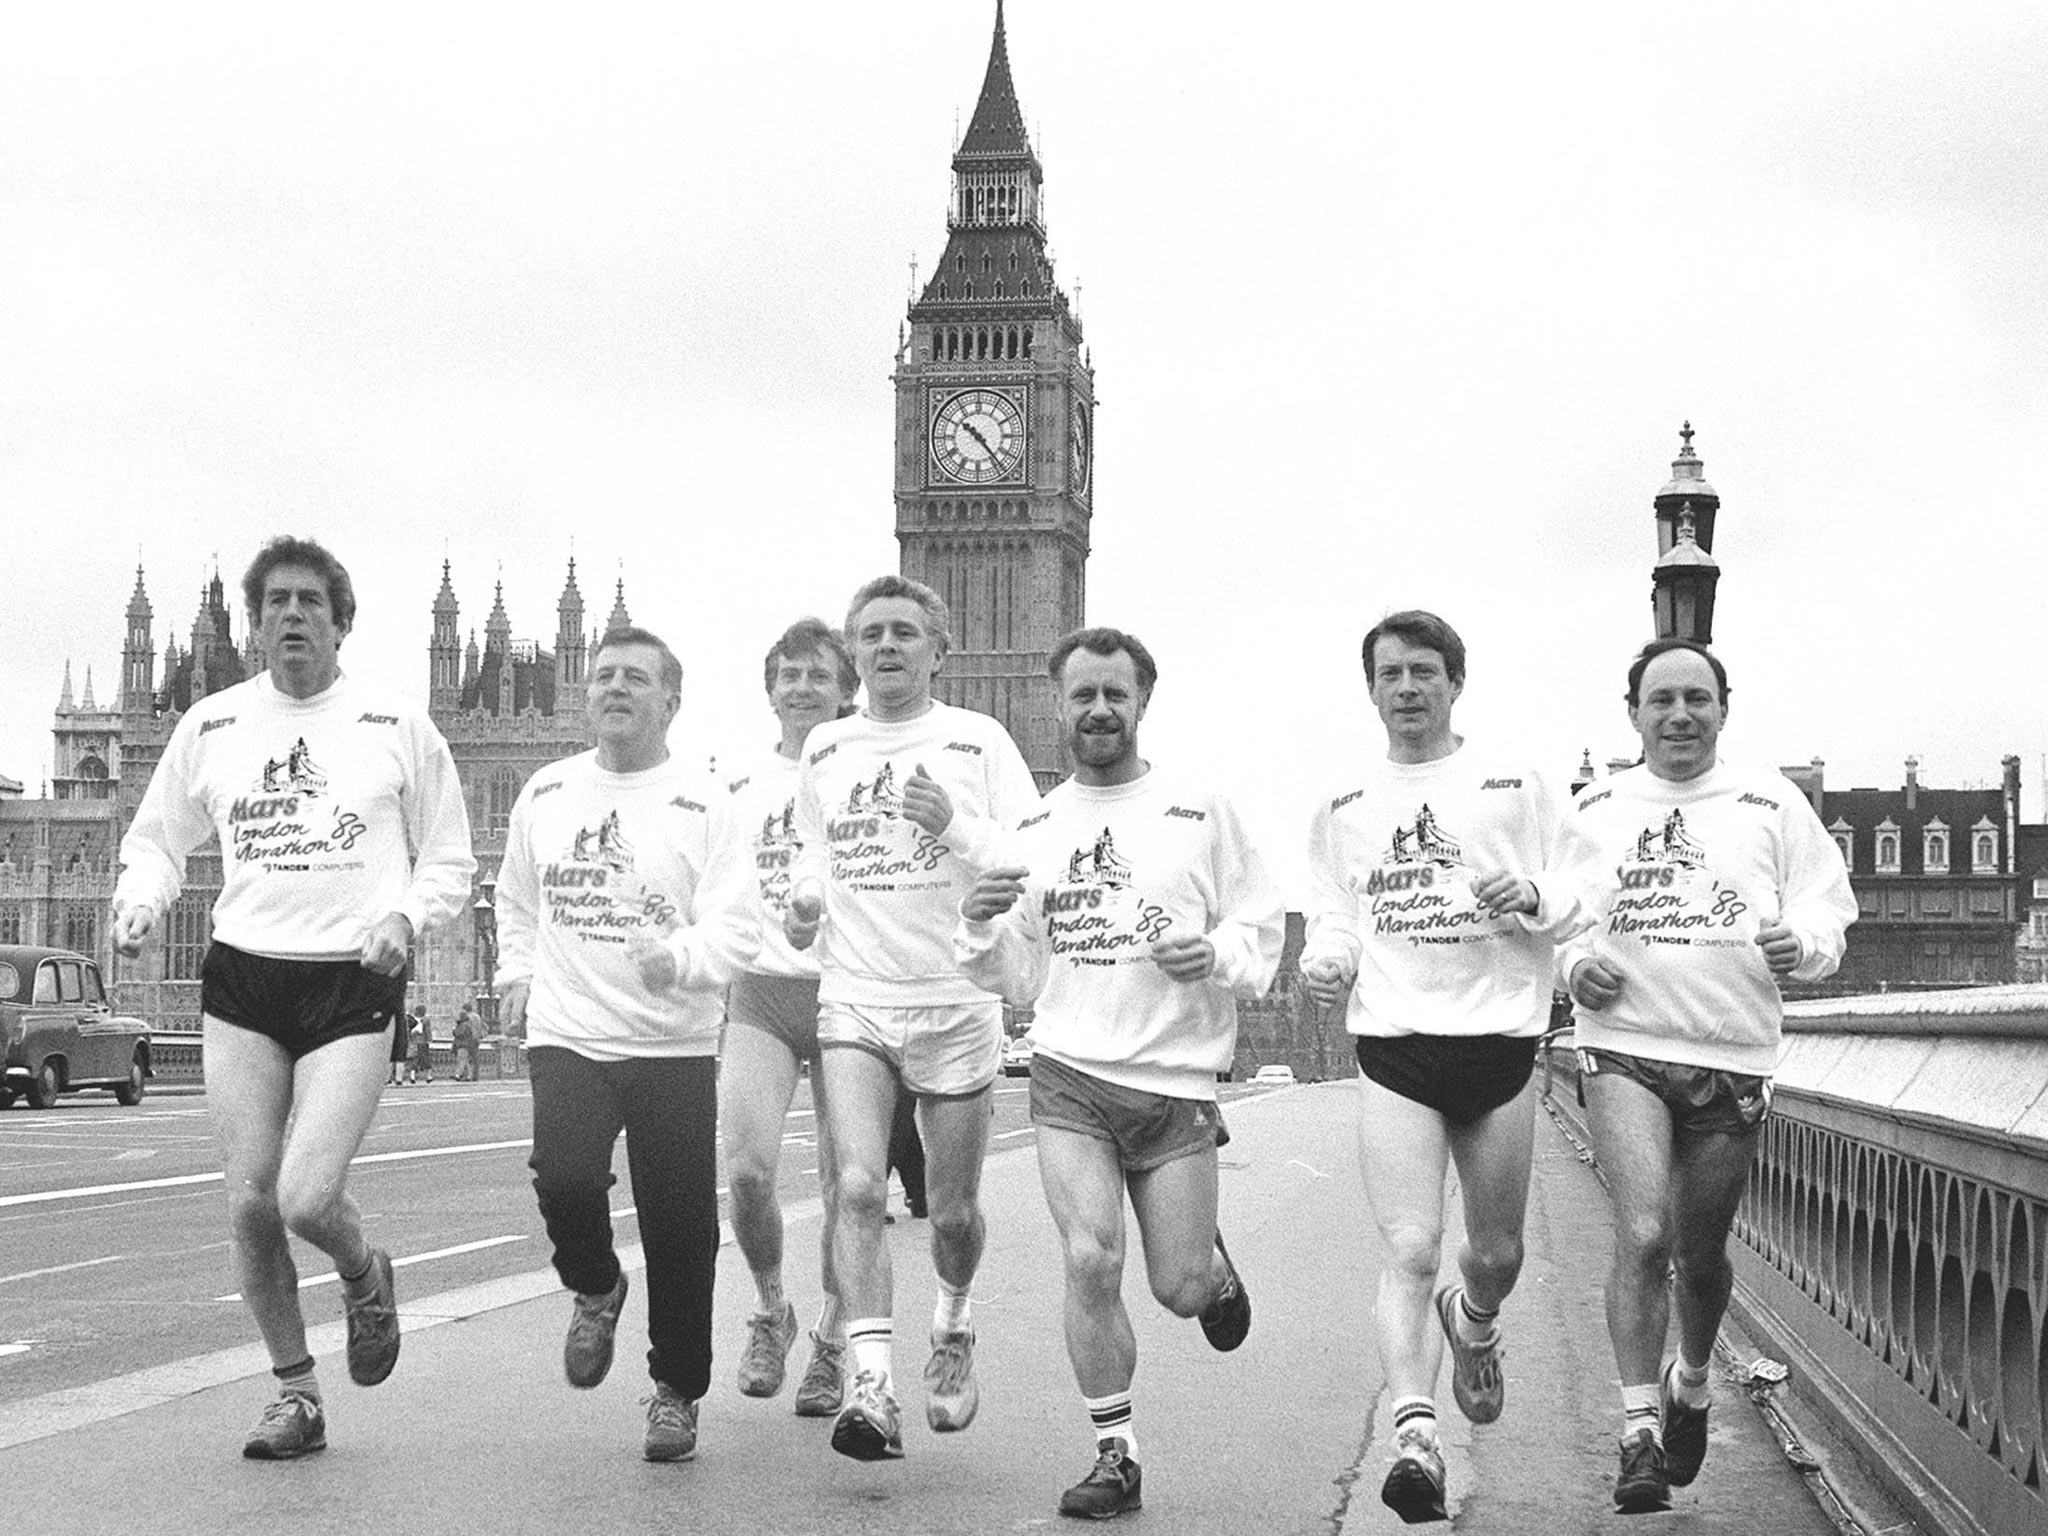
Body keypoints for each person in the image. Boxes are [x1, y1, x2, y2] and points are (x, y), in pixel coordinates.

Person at [110, 535, 475, 1460]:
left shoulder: (395, 727)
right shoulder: (214, 724)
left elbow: (450, 860)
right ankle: (296, 1393)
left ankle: (362, 1269)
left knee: (306, 1197)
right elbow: (157, 839)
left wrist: (404, 915)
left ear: (341, 620)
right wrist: (143, 900)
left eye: (310, 601)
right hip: (243, 976)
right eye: (274, 602)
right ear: (254, 621)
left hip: (353, 978)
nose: (292, 616)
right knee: (247, 1202)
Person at [956, 626, 1282, 1520]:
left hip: (1175, 1080)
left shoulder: (1201, 810)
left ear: (1142, 703)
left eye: (1115, 695)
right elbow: (1019, 979)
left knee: (1175, 1289)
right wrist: (981, 928)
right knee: (1090, 1256)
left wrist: (1212, 953)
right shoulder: (1032, 827)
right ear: (1057, 705)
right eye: (1082, 696)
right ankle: (1115, 1451)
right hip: (1069, 1074)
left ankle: (1209, 1269)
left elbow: (1260, 936)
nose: (1099, 710)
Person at [1555, 639, 1853, 1513]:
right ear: (1633, 713)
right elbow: (1555, 915)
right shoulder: (1597, 807)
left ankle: (1691, 1379)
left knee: (1698, 1251)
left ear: (1724, 708)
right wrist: (1575, 965)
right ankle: (1639, 1430)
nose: (1679, 714)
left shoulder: (1770, 802)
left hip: (1730, 1055)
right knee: (1643, 1234)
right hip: (1622, 1047)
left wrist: (1805, 946)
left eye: (1697, 698)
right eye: (1661, 700)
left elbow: (1826, 906)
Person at [1298, 610, 1574, 1524]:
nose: (1407, 688)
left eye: (1424, 671)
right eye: (1390, 673)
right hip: (1395, 1044)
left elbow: (1583, 887)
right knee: (1410, 1248)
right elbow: (1338, 910)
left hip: (1499, 1043)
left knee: (1493, 1254)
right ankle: (1413, 1435)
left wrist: (1535, 895)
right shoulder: (1342, 802)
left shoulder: (1516, 781)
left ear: (1456, 682)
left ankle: (1477, 1322)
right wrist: (1328, 958)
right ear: (1370, 688)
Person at [784, 573, 1039, 1462]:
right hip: (855, 995)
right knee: (855, 1187)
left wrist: (956, 826)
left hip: (956, 1000)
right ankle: (872, 1386)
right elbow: (814, 851)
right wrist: (804, 903)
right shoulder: (825, 748)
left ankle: (955, 1323)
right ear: (853, 653)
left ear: (940, 650)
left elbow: (1033, 854)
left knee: (955, 1210)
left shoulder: (978, 741)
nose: (886, 647)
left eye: (903, 632)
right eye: (871, 634)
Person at [495, 625, 754, 1463]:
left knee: (680, 1227)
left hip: (671, 1043)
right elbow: (516, 901)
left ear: (670, 700)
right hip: (569, 1032)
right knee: (565, 1178)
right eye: (603, 674)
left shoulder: (707, 804)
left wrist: (679, 958)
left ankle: (676, 1392)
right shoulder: (545, 790)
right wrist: (515, 976)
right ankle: (596, 1283)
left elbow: (736, 928)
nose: (613, 688)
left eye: (635, 678)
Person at [721, 617, 859, 1415]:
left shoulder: (863, 770)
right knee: (746, 1173)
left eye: (817, 675)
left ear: (846, 690)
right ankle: (772, 1309)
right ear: (769, 689)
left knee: (848, 1186)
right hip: (762, 991)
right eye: (789, 675)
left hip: (846, 989)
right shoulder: (734, 782)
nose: (802, 687)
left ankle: (835, 1341)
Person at [451, 1004, 479, 1082]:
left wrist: (454, 1030)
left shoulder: (465, 1023)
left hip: (463, 1044)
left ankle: (459, 1074)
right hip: (474, 1041)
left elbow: (460, 1034)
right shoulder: (476, 1017)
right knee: (470, 1060)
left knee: (462, 1059)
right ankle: (471, 1076)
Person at [409, 1007, 433, 1084]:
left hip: (414, 1042)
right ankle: (429, 1076)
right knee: (426, 1059)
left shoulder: (412, 1019)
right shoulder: (425, 1020)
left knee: (414, 1059)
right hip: (423, 1042)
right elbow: (427, 1031)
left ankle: (412, 1076)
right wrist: (429, 1040)